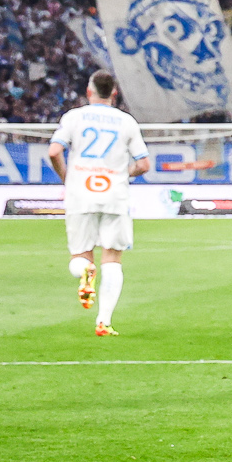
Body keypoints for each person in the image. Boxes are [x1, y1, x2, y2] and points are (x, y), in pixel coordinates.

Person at [47, 72, 151, 338]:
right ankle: (103, 322)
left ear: (88, 91)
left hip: (80, 193)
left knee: (81, 256)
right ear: (114, 93)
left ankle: (85, 270)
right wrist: (123, 175)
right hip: (114, 194)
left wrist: (67, 178)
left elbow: (54, 151)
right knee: (113, 257)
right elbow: (143, 164)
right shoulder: (126, 121)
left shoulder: (74, 117)